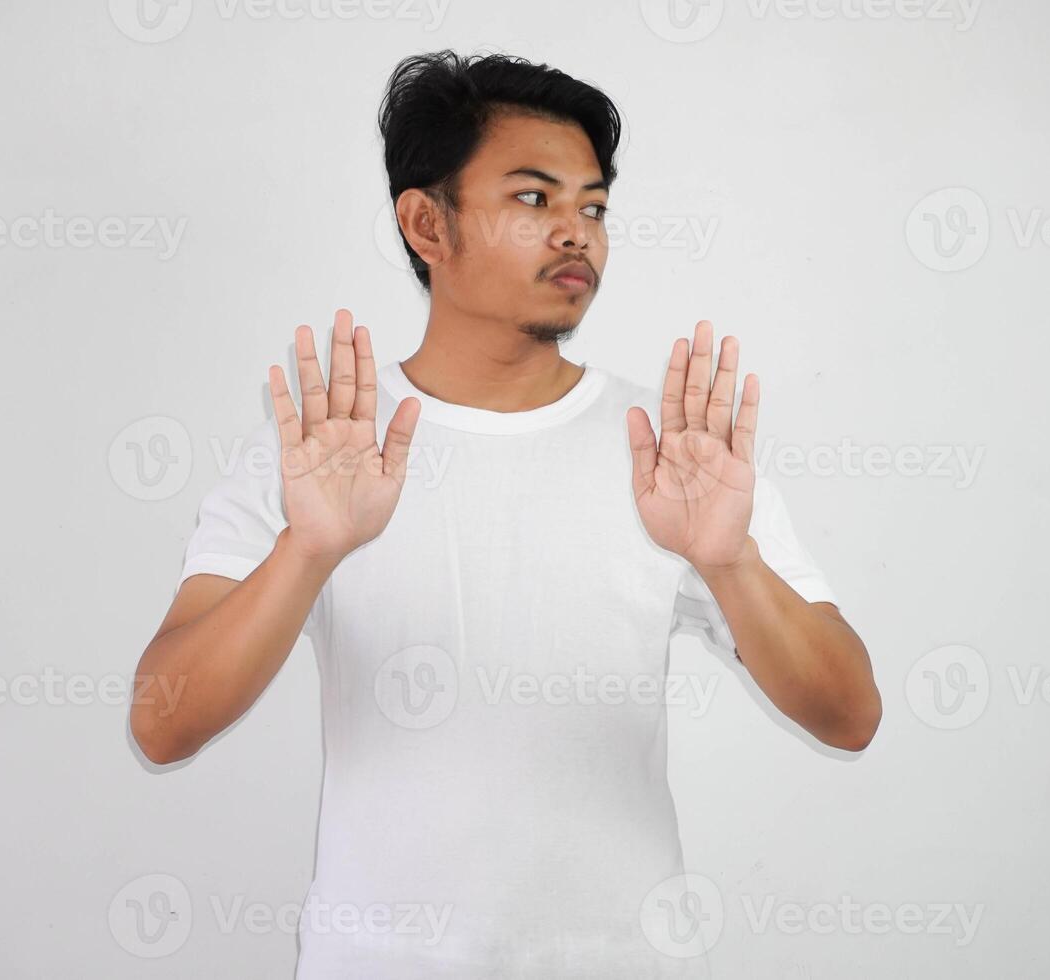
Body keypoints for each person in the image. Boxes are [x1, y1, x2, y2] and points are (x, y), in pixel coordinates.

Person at [130, 49, 881, 979]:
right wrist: (307, 551)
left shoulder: (677, 455)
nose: (578, 234)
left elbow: (851, 715)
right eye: (534, 200)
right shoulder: (321, 458)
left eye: (594, 207)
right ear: (424, 224)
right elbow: (162, 724)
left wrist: (731, 565)